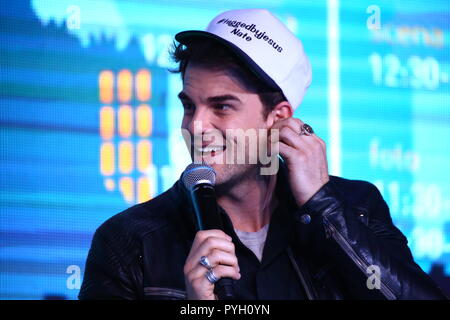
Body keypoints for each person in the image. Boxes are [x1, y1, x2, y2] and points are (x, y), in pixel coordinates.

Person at [79, 8, 447, 300]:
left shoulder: (357, 207)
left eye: (222, 107)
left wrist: (323, 207)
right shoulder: (127, 241)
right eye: (189, 106)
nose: (195, 126)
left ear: (278, 118)